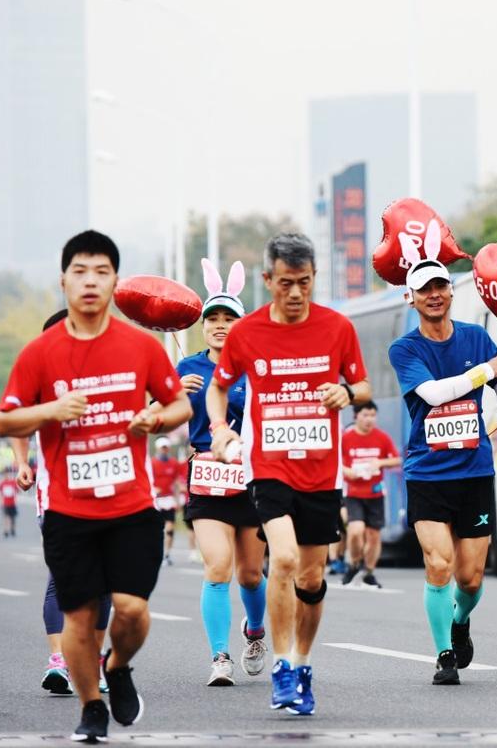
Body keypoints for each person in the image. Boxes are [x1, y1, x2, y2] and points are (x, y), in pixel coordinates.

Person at [0, 230, 192, 742]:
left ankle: (119, 665)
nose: (90, 281)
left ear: (114, 282)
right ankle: (90, 707)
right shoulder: (40, 354)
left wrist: (155, 418)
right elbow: (5, 420)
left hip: (131, 504)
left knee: (131, 610)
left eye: (101, 272)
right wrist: (51, 411)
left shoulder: (139, 347)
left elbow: (180, 406)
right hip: (69, 507)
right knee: (80, 617)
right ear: (64, 280)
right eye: (80, 271)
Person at [208, 233, 370, 715]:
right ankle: (281, 667)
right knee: (282, 560)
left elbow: (361, 383)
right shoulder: (247, 333)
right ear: (267, 281)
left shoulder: (338, 328)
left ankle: (301, 662)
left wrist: (347, 393)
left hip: (322, 473)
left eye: (304, 283)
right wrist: (219, 429)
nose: (295, 293)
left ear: (314, 278)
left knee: (312, 577)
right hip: (269, 468)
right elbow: (218, 389)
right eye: (285, 284)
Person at [388, 242, 497, 686]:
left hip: (474, 471)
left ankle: (461, 619)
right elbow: (433, 394)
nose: (434, 294)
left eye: (441, 287)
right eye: (424, 289)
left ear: (451, 292)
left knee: (469, 578)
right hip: (427, 471)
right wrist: (486, 371)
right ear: (409, 297)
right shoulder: (404, 349)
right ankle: (444, 655)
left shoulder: (476, 338)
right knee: (439, 564)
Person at [177, 259, 269, 688]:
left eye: (228, 318)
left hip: (249, 478)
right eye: (212, 318)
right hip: (207, 480)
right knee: (217, 567)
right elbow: (161, 416)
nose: (219, 325)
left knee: (250, 574)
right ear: (202, 327)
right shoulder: (187, 369)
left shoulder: (256, 367)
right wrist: (177, 396)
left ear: (241, 324)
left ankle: (254, 632)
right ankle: (219, 656)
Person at [12, 309, 113, 696]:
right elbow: (16, 420)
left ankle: (95, 660)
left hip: (104, 493)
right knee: (62, 577)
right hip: (56, 496)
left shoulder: (105, 376)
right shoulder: (37, 378)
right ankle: (58, 661)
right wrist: (23, 463)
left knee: (102, 582)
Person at [340, 402, 402, 588]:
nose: (369, 419)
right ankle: (354, 563)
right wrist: (347, 471)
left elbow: (397, 459)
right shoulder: (346, 438)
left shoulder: (382, 437)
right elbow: (335, 461)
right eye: (365, 415)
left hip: (375, 493)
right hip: (353, 492)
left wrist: (380, 463)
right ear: (355, 417)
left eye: (373, 415)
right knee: (356, 531)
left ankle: (368, 572)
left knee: (374, 535)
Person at [151, 438, 181, 564]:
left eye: (166, 447)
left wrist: (178, 499)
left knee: (169, 529)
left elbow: (176, 482)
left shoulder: (174, 463)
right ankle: (155, 553)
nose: (164, 450)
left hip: (169, 499)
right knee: (156, 529)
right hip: (155, 500)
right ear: (158, 448)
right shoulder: (151, 463)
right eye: (162, 447)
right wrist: (152, 489)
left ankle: (166, 554)